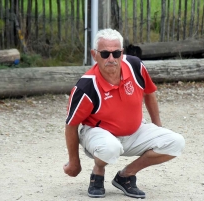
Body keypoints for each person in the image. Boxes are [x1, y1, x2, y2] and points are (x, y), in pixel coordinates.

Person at [63, 28, 185, 199]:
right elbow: (71, 125)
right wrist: (74, 163)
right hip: (98, 135)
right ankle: (98, 171)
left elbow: (149, 93)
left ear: (122, 52)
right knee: (110, 148)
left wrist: (158, 127)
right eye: (105, 54)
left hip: (135, 131)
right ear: (94, 55)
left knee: (176, 142)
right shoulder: (86, 87)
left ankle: (126, 176)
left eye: (116, 53)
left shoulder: (135, 65)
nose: (111, 59)